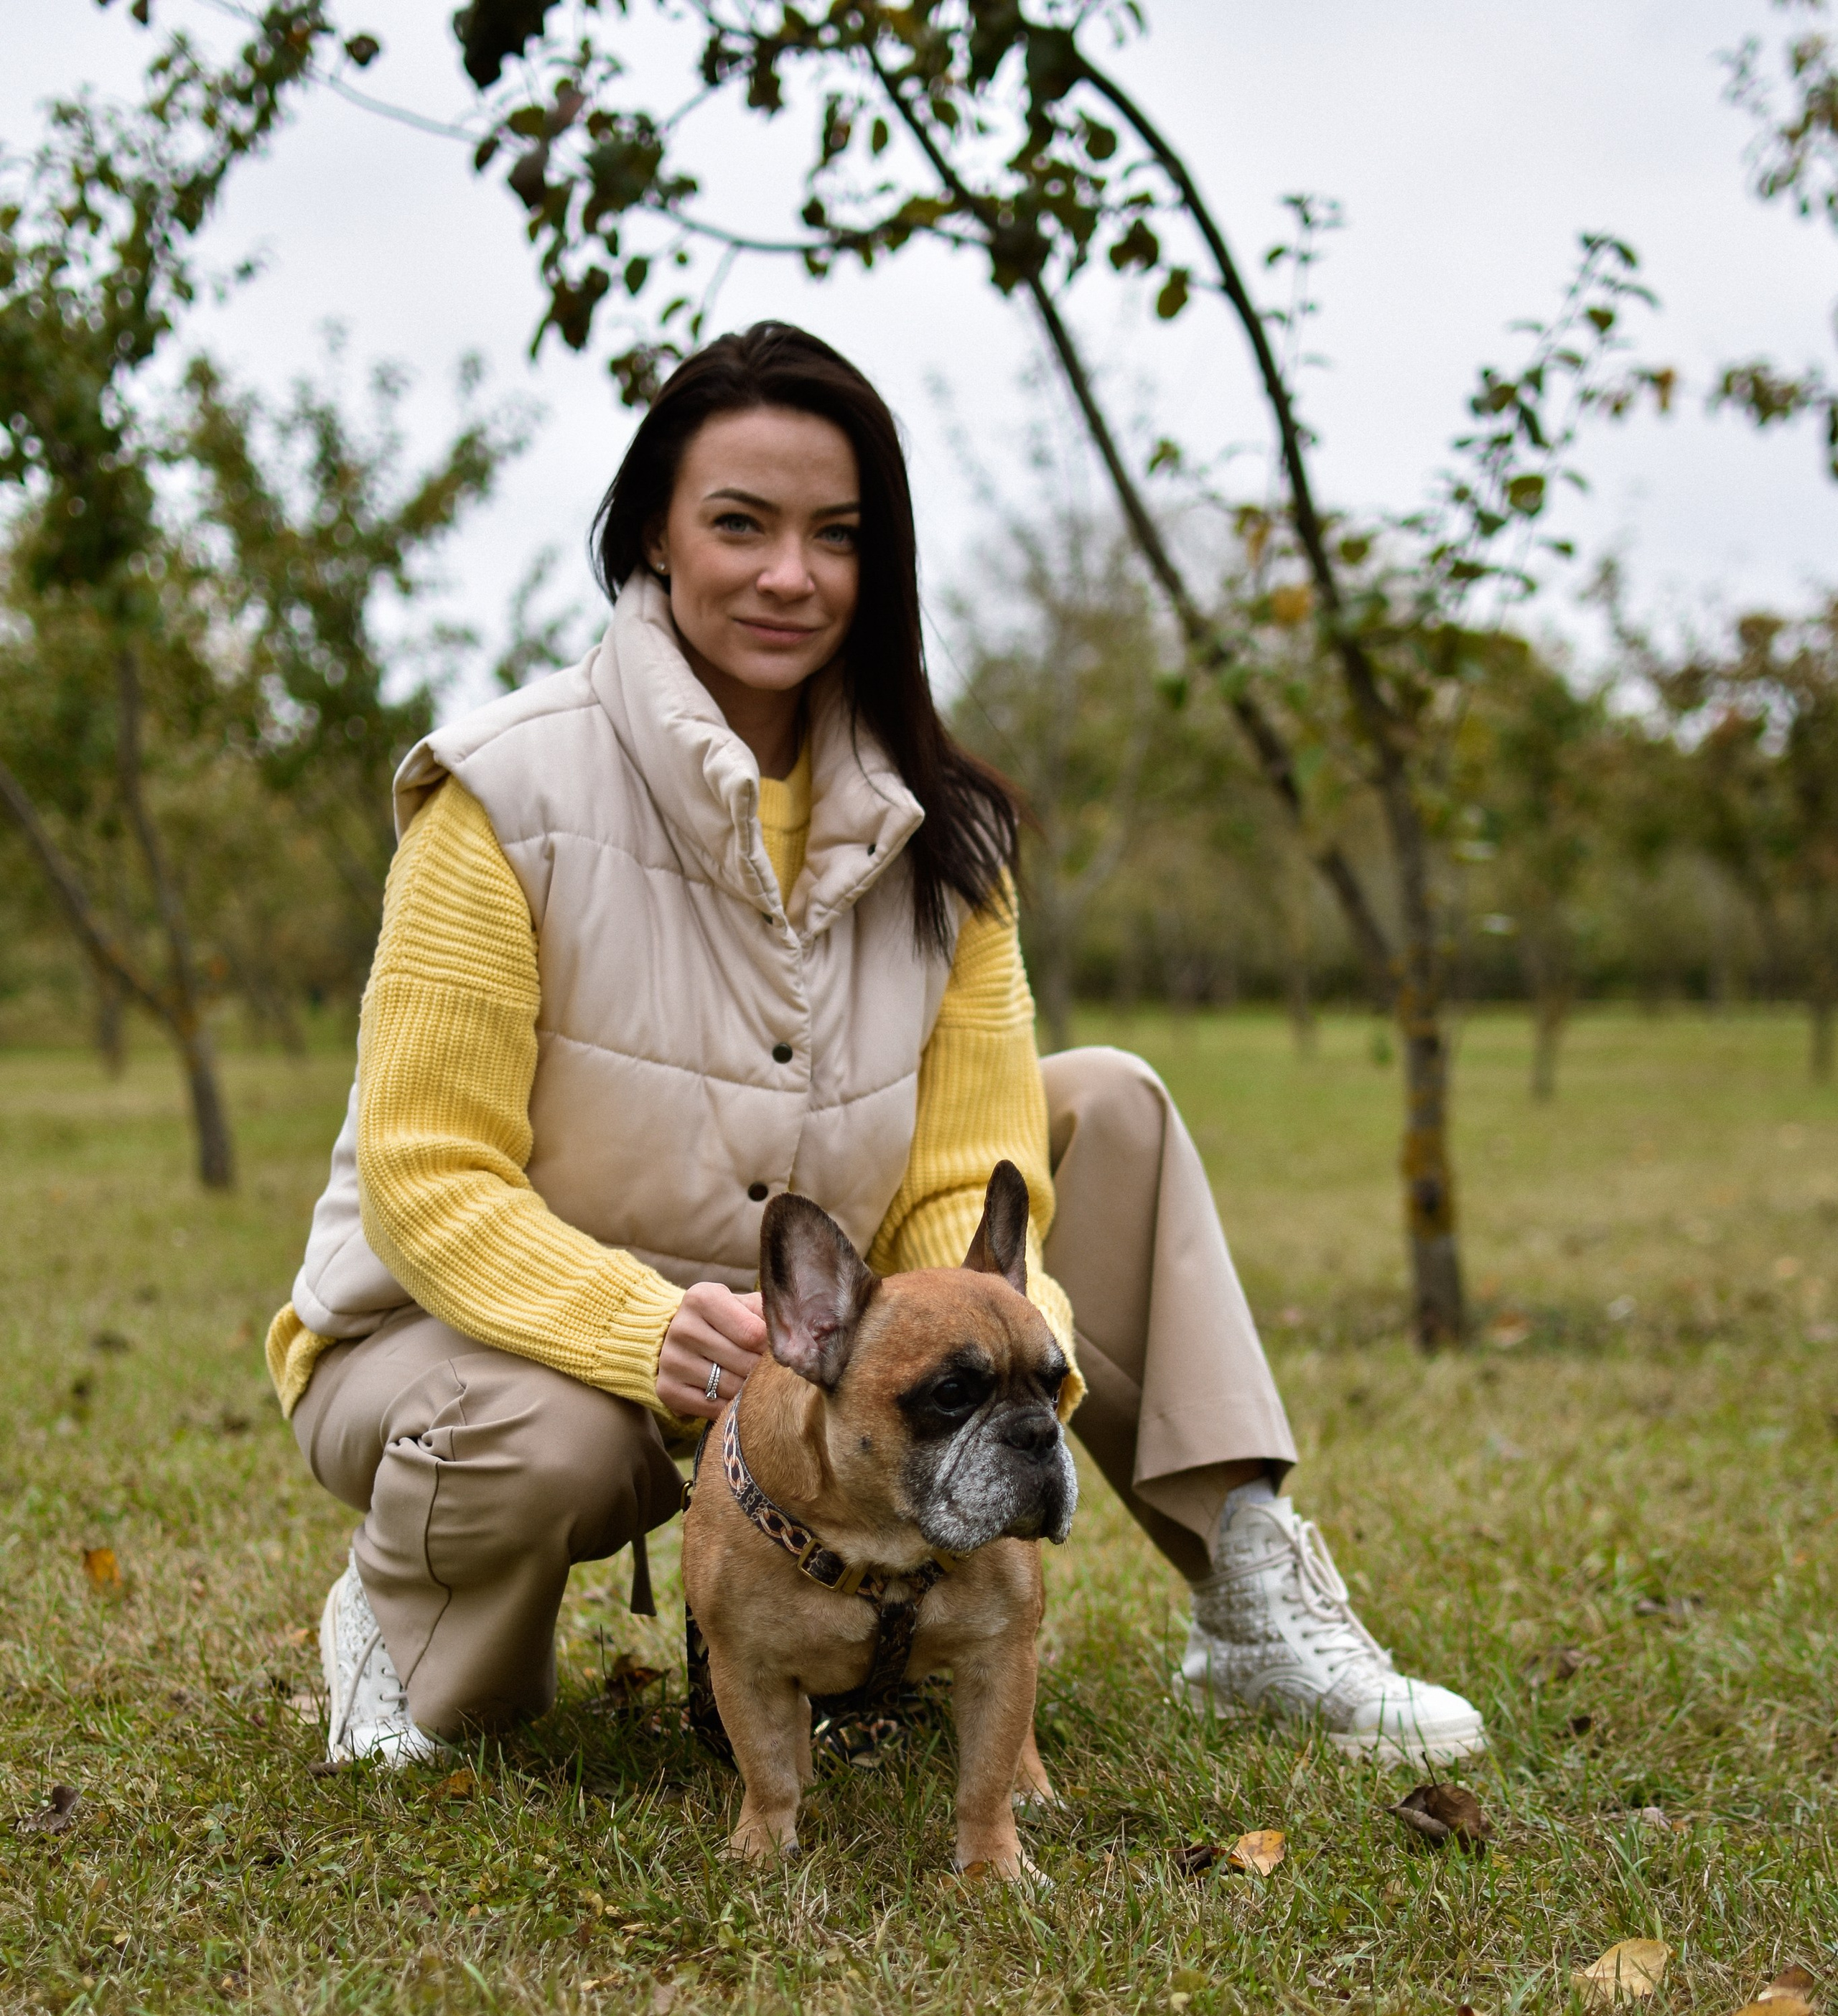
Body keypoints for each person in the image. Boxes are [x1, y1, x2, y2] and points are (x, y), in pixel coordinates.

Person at [264, 322, 1485, 1771]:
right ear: (655, 532)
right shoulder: (499, 795)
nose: (789, 574)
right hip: (467, 1347)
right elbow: (425, 1179)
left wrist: (976, 1377)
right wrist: (637, 1328)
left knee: (1105, 1105)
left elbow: (965, 1166)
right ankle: (393, 1622)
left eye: (834, 535)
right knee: (554, 1443)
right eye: (741, 524)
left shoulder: (939, 823)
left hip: (817, 1333)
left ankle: (1248, 1597)